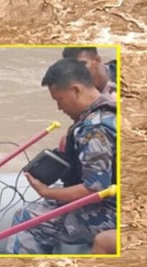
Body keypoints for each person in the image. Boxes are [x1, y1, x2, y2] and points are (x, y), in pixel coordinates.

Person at [7, 58, 116, 254]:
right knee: (41, 206)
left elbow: (94, 191)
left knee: (28, 219)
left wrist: (46, 192)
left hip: (113, 213)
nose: (59, 108)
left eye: (59, 100)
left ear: (76, 90)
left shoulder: (95, 129)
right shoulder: (111, 107)